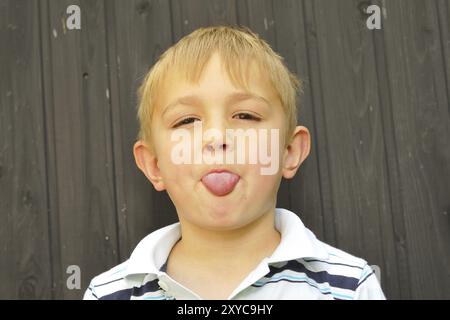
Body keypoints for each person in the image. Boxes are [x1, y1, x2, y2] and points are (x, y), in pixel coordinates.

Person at [83, 25, 385, 300]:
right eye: (187, 120)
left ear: (289, 151)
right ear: (154, 165)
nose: (216, 137)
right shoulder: (109, 295)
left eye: (245, 116)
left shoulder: (349, 287)